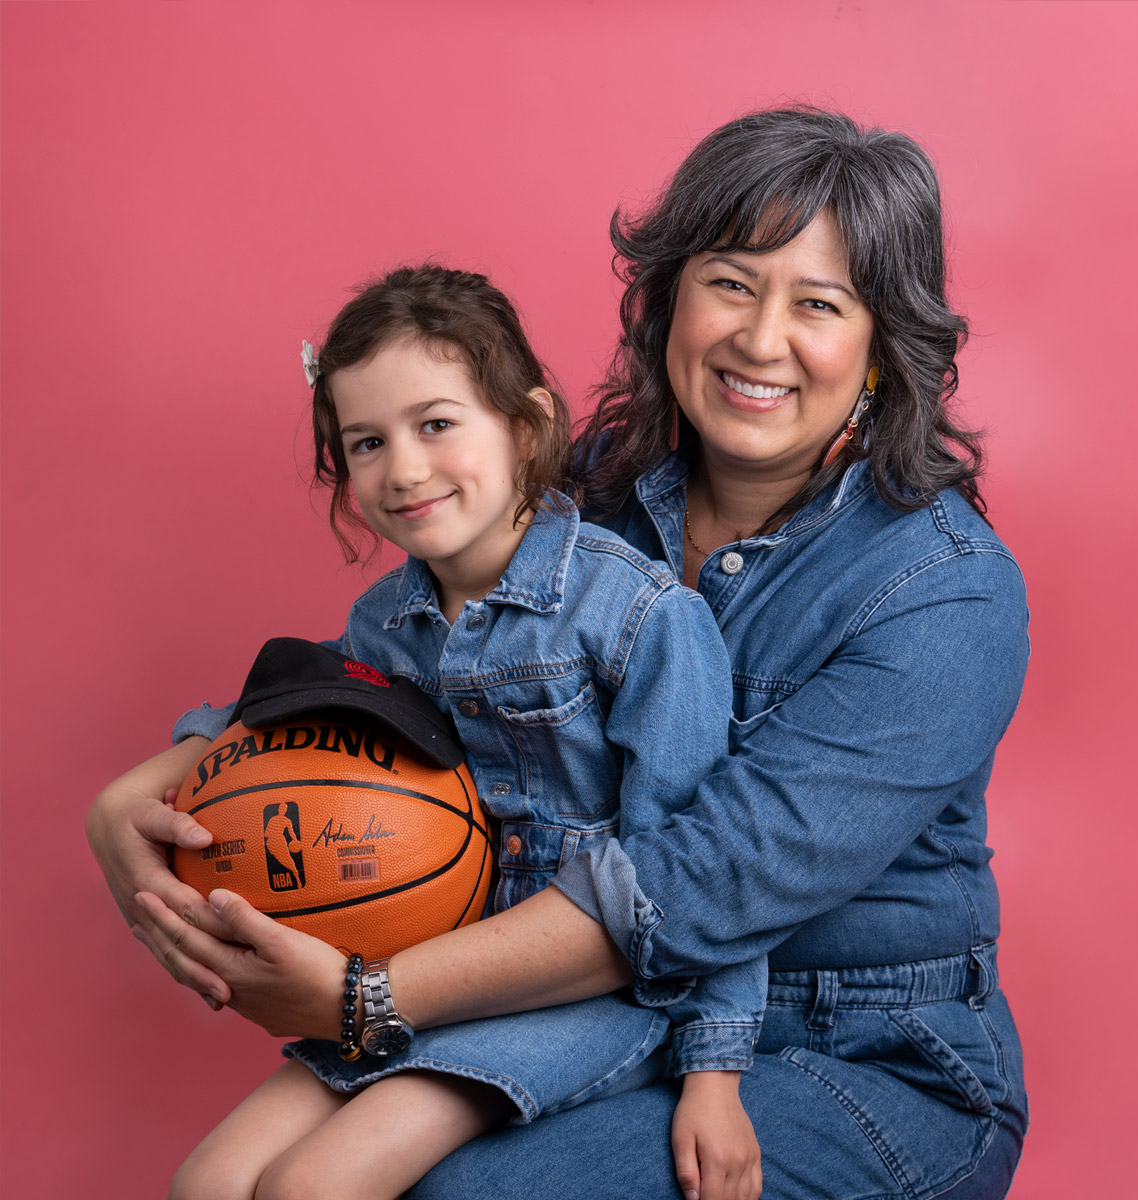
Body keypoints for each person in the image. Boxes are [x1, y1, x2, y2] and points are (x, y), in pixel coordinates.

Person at [90, 106, 1030, 1200]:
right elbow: (395, 682)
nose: (761, 340)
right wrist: (153, 790)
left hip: (860, 1056)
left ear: (880, 346)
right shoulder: (577, 497)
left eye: (818, 305)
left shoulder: (944, 589)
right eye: (730, 282)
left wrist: (366, 996)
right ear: (670, 296)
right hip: (584, 1004)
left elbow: (698, 887)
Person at [112, 264, 767, 1200]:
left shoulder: (636, 613)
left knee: (313, 1186)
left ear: (527, 424)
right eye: (367, 442)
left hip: (590, 999)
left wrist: (716, 1075)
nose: (404, 470)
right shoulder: (386, 620)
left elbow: (709, 872)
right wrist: (153, 777)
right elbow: (290, 715)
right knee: (207, 1182)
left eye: (436, 424)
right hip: (424, 970)